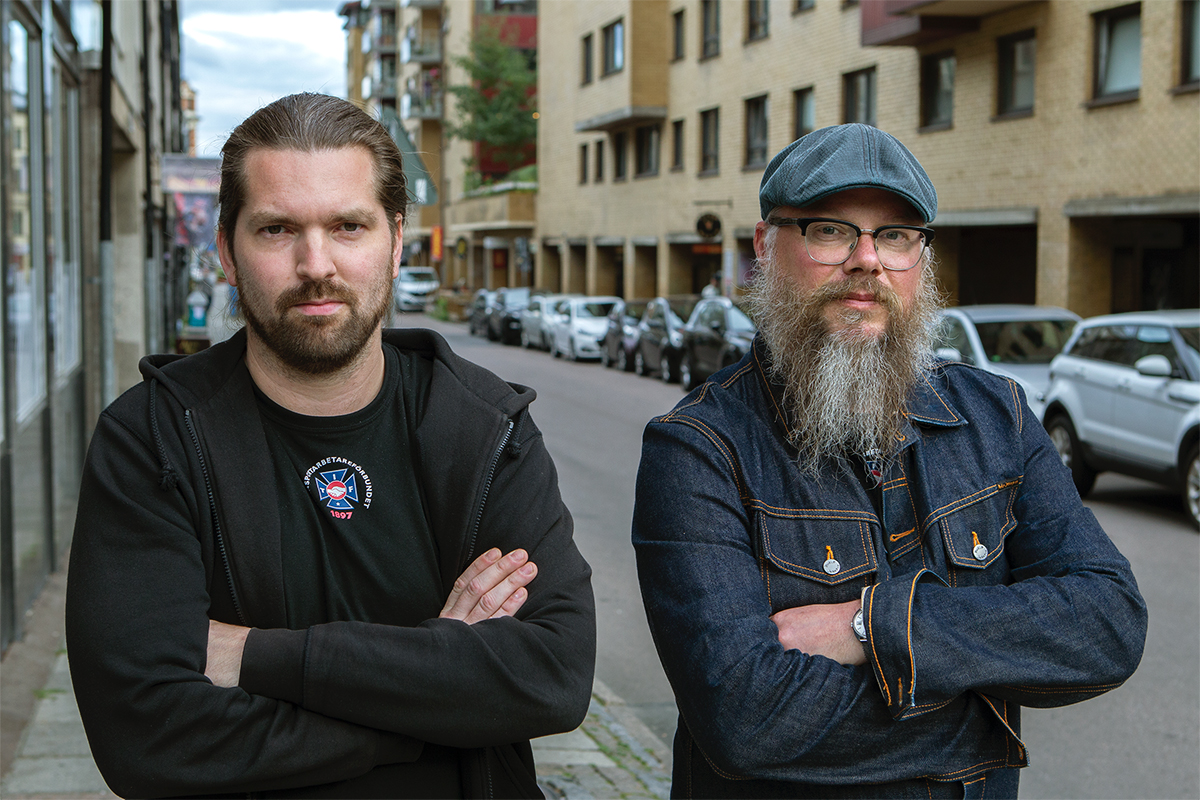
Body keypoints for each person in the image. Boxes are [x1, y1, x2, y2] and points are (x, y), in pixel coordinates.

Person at [66, 93, 596, 799]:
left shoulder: (483, 426)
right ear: (227, 250)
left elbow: (551, 676)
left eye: (348, 226)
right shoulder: (155, 438)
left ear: (397, 240)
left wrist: (250, 654)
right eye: (277, 229)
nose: (316, 263)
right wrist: (438, 693)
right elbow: (148, 735)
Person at [632, 124, 1146, 798]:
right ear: (766, 246)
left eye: (897, 235)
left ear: (920, 261)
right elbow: (744, 717)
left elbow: (1108, 624)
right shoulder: (699, 446)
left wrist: (868, 626)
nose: (868, 260)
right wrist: (987, 708)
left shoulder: (999, 417)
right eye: (830, 230)